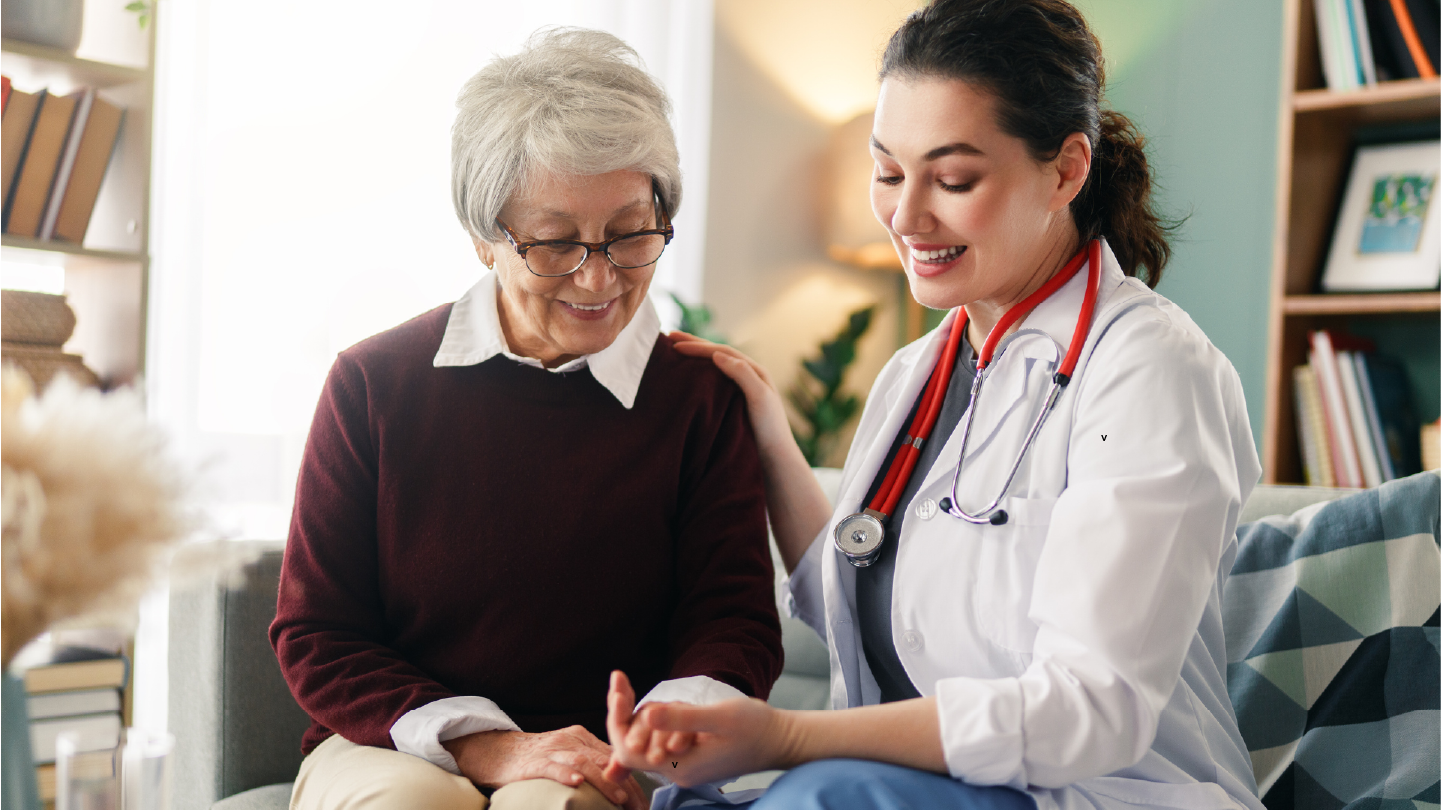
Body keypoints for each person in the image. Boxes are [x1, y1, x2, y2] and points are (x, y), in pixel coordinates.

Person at [602, 1, 1265, 809]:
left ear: (1065, 170)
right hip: (914, 784)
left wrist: (785, 735)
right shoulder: (919, 369)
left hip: (1098, 791)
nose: (907, 216)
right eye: (887, 172)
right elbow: (866, 583)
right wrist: (769, 435)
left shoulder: (1150, 367)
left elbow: (1089, 710)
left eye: (952, 179)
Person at [269, 28, 783, 811]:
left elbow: (734, 621)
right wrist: (492, 746)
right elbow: (317, 631)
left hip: (604, 751)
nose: (599, 276)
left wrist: (649, 737)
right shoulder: (373, 383)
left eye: (629, 233)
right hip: (399, 743)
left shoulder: (697, 399)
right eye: (554, 243)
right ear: (485, 240)